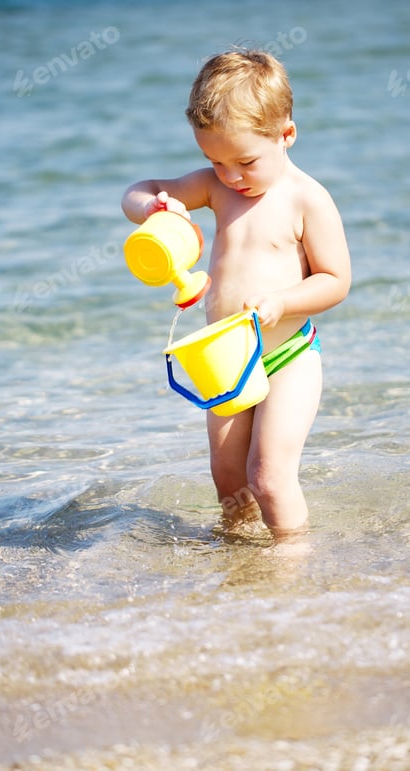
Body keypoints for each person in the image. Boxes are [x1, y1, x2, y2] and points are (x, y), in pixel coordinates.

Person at [121, 50, 351, 536]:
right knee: (228, 479)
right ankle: (241, 566)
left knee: (267, 478)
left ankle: (292, 566)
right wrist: (156, 207)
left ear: (285, 134)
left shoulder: (307, 198)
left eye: (245, 161)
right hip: (224, 360)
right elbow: (138, 190)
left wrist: (282, 302)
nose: (230, 175)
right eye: (214, 161)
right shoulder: (216, 187)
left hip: (287, 354)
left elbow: (336, 280)